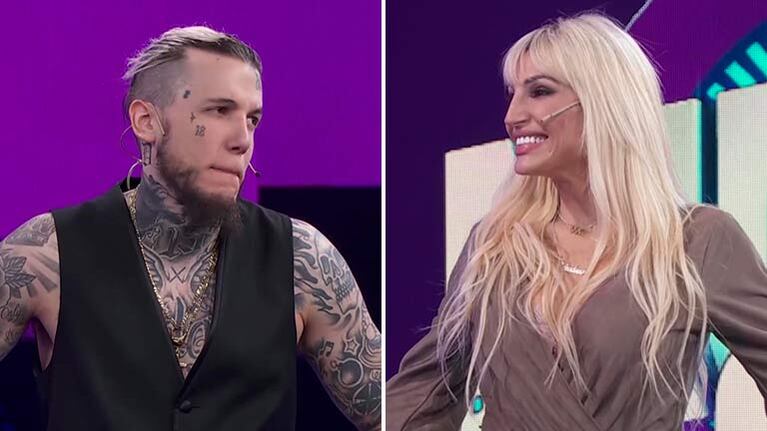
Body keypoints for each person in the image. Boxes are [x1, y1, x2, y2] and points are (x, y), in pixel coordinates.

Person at [386, 13, 767, 431]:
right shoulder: (495, 246)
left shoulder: (697, 240)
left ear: (604, 102)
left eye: (539, 92)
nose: (512, 116)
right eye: (513, 94)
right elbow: (421, 398)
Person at [0, 26, 380, 430]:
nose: (243, 140)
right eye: (219, 111)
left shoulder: (303, 259)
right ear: (147, 121)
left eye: (252, 119)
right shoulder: (47, 253)